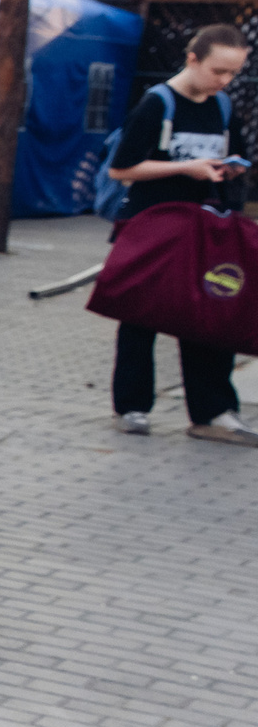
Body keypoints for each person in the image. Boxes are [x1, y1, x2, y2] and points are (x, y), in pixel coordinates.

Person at [106, 23, 256, 444]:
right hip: (153, 226)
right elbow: (121, 169)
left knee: (213, 316)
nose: (224, 82)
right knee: (140, 317)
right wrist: (183, 168)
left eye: (233, 74)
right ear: (193, 59)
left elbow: (234, 157)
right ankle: (132, 407)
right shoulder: (157, 104)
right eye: (218, 71)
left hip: (205, 229)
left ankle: (212, 412)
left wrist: (228, 170)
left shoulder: (222, 107)